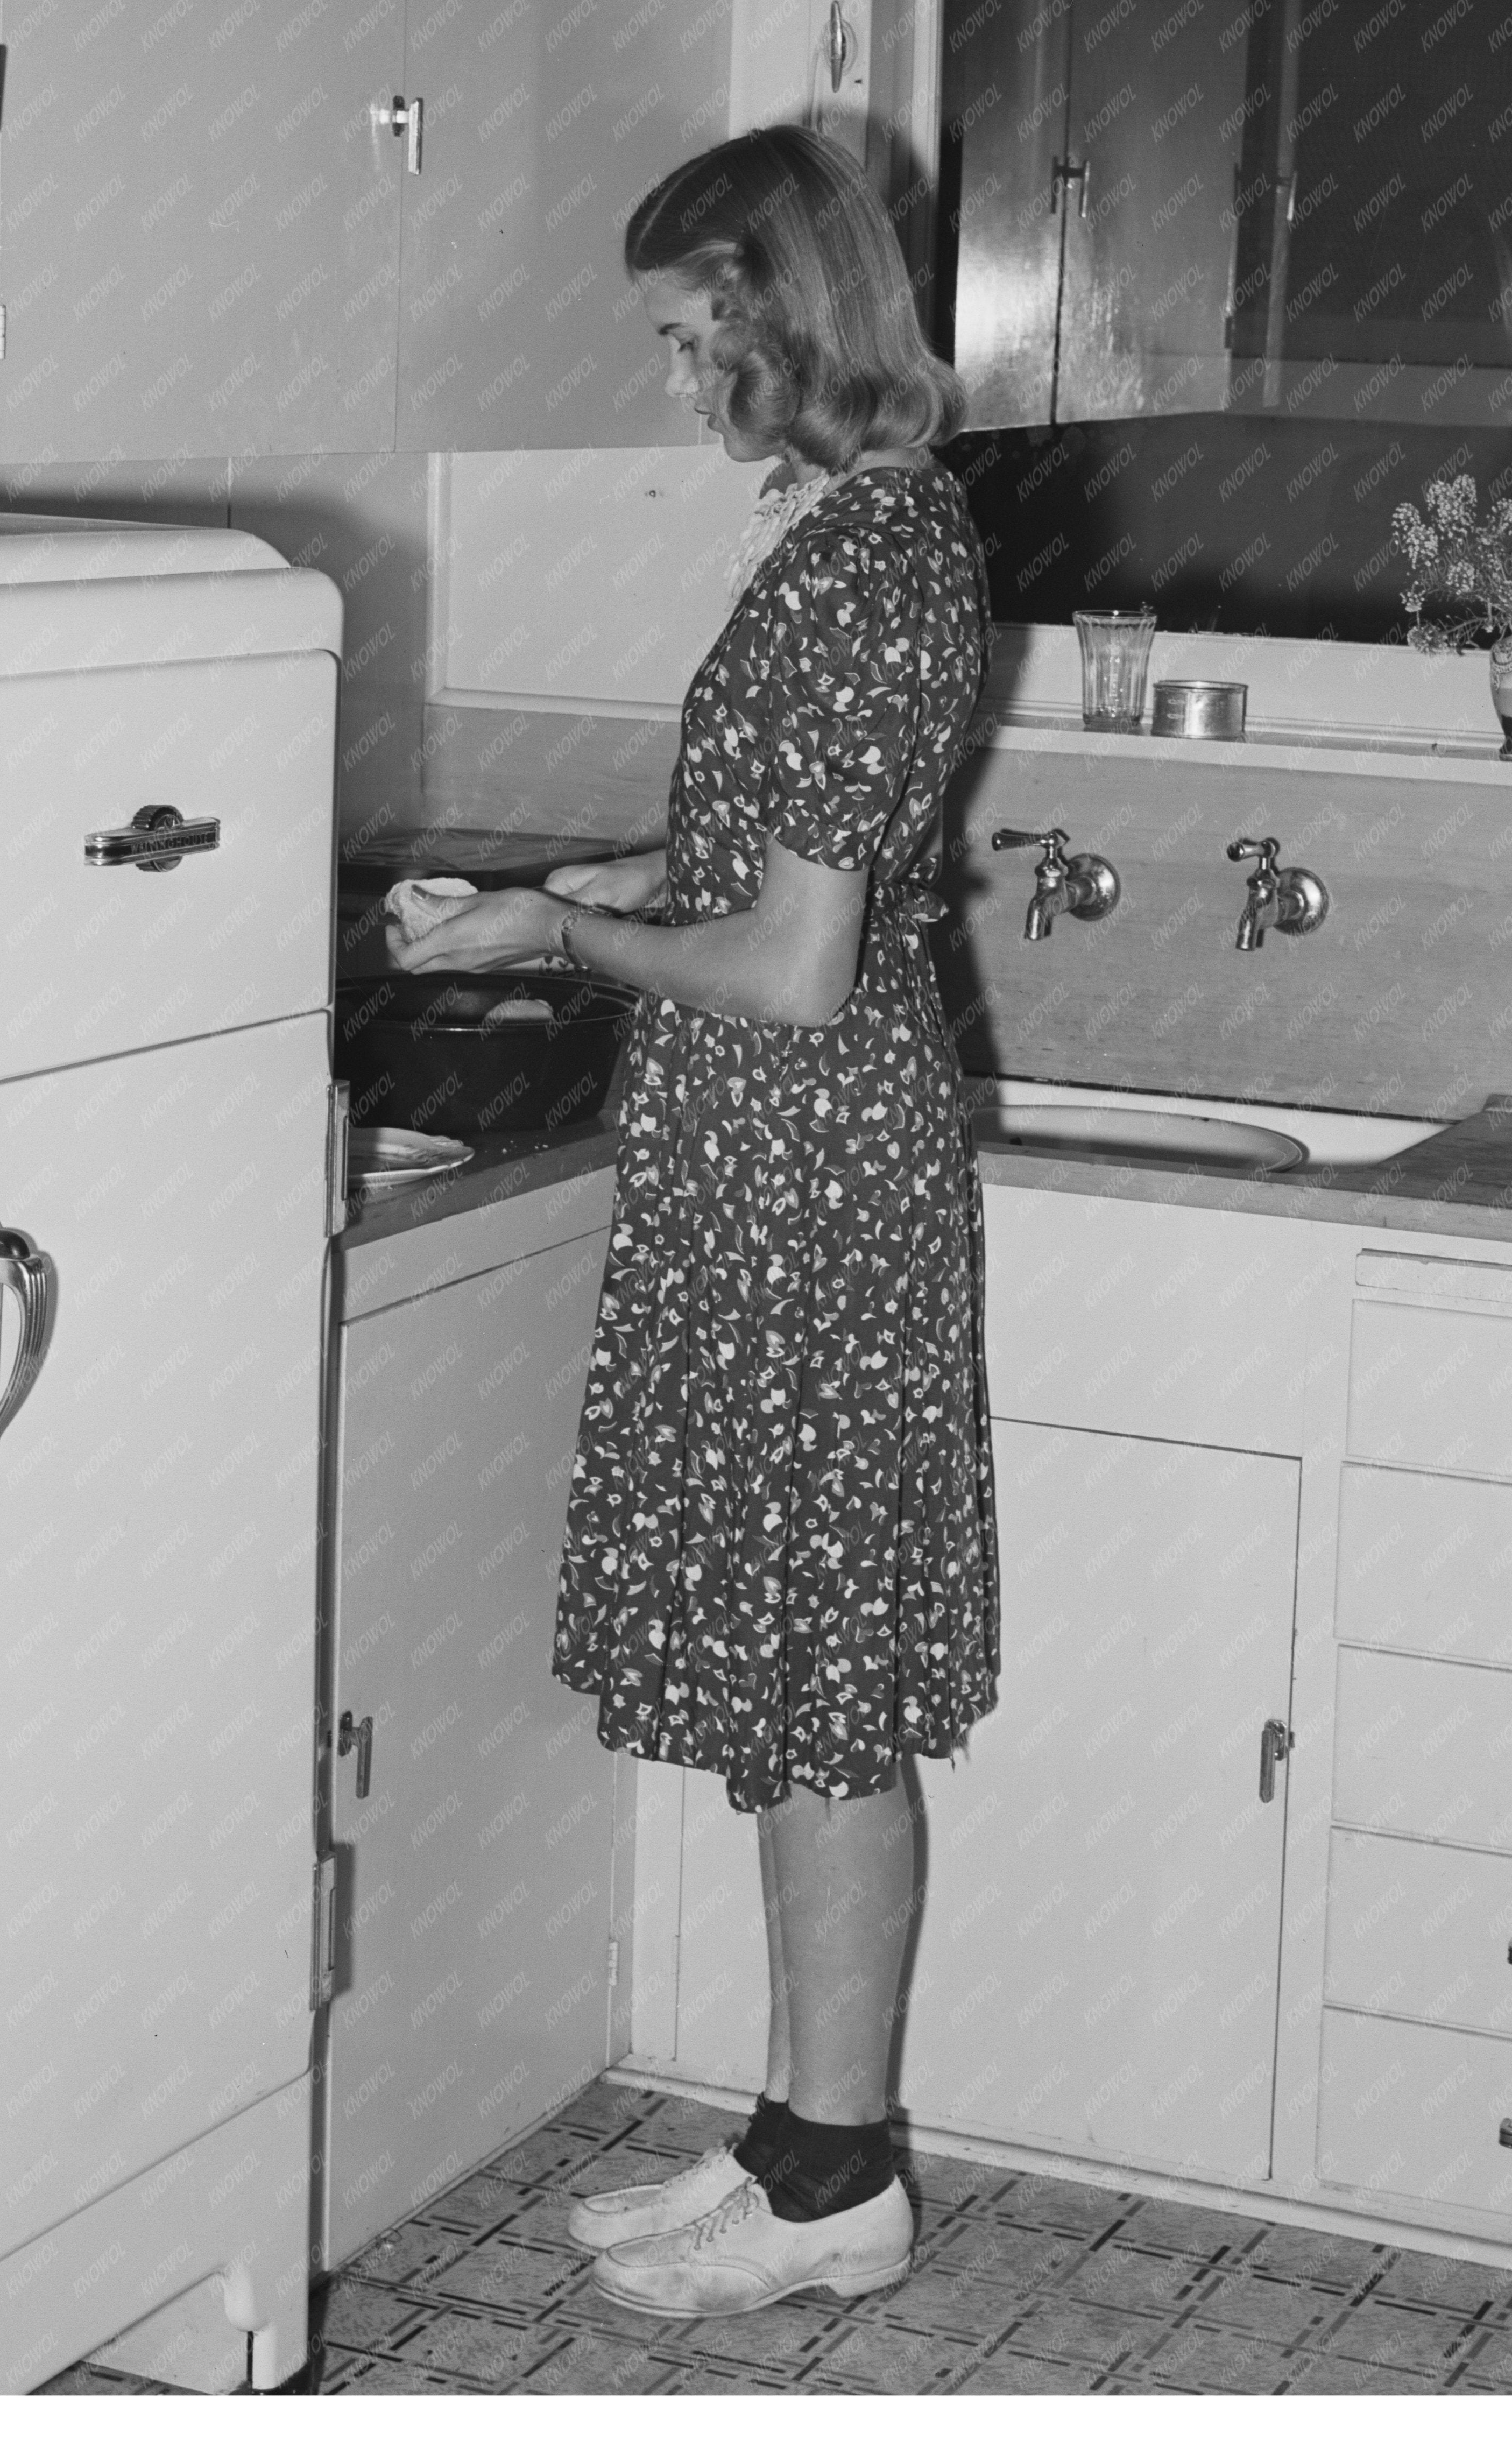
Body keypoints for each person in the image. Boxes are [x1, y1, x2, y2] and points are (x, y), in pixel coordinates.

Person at [389, 125, 999, 2317]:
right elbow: (743, 856)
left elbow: (794, 962)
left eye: (690, 335)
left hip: (806, 1170)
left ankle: (837, 2181)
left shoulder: (868, 563)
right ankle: (796, 2136)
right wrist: (550, 900)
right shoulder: (858, 534)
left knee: (822, 1680)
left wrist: (568, 937)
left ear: (783, 316)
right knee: (789, 1670)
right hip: (782, 1165)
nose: (675, 379)